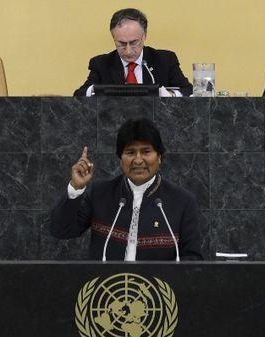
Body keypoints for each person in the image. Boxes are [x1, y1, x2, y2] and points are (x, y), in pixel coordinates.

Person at [50, 118, 202, 261]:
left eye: (146, 152)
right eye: (130, 152)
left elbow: (192, 259)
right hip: (106, 287)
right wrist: (76, 188)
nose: (137, 160)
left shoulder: (182, 201)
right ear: (120, 159)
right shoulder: (100, 193)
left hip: (156, 289)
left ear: (159, 157)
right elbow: (61, 230)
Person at [73, 8, 193, 97]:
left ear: (144, 36)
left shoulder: (165, 60)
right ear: (113, 38)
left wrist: (170, 95)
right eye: (121, 44)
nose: (128, 50)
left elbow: (189, 91)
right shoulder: (101, 64)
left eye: (134, 42)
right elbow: (79, 95)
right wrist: (95, 90)